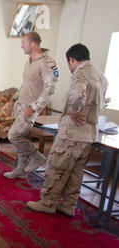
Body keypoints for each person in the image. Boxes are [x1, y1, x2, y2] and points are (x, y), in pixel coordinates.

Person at [26, 44, 108, 217]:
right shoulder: (100, 75)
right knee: (76, 173)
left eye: (68, 63)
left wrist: (75, 110)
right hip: (88, 134)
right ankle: (69, 205)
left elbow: (77, 95)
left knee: (57, 167)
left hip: (72, 133)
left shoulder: (81, 73)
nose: (69, 67)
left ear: (71, 59)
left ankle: (47, 202)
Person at [4, 32, 59, 179]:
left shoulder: (47, 63)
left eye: (23, 43)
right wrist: (14, 98)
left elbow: (50, 90)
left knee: (13, 135)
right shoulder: (29, 61)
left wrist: (34, 108)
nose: (21, 45)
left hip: (30, 108)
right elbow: (25, 84)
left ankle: (37, 157)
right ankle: (21, 170)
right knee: (23, 138)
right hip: (20, 105)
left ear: (33, 44)